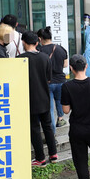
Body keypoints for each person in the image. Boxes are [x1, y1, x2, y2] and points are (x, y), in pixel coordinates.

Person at [18, 31, 58, 167]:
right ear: (37, 42)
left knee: (34, 129)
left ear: (23, 42)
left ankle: (40, 158)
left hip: (29, 100)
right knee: (47, 127)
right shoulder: (45, 57)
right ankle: (53, 154)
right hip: (45, 98)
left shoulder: (19, 59)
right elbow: (48, 79)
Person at [37, 27, 69, 129]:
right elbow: (65, 65)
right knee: (59, 100)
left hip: (47, 82)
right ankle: (60, 119)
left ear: (40, 39)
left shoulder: (39, 51)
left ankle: (52, 133)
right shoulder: (60, 49)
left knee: (50, 108)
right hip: (60, 81)